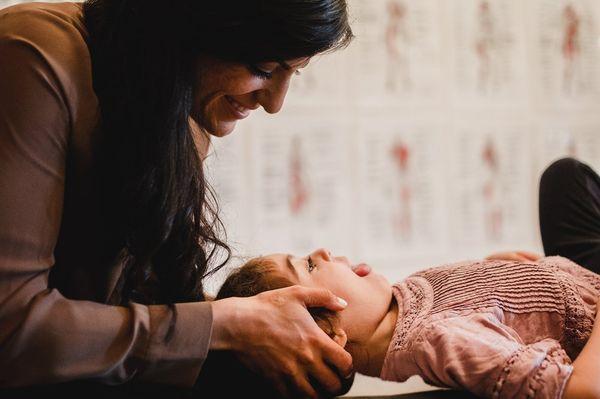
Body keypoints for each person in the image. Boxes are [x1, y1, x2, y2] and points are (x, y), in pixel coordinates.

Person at [0, 1, 354, 397]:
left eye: (295, 73)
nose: (273, 104)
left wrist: (263, 323)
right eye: (264, 69)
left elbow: (130, 303)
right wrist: (225, 325)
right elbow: (10, 328)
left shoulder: (177, 112)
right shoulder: (35, 53)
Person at [213, 158, 600, 398]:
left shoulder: (405, 306)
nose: (321, 252)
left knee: (564, 177)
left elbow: (479, 304)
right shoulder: (438, 341)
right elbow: (581, 391)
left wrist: (505, 273)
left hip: (571, 279)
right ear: (331, 338)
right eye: (309, 267)